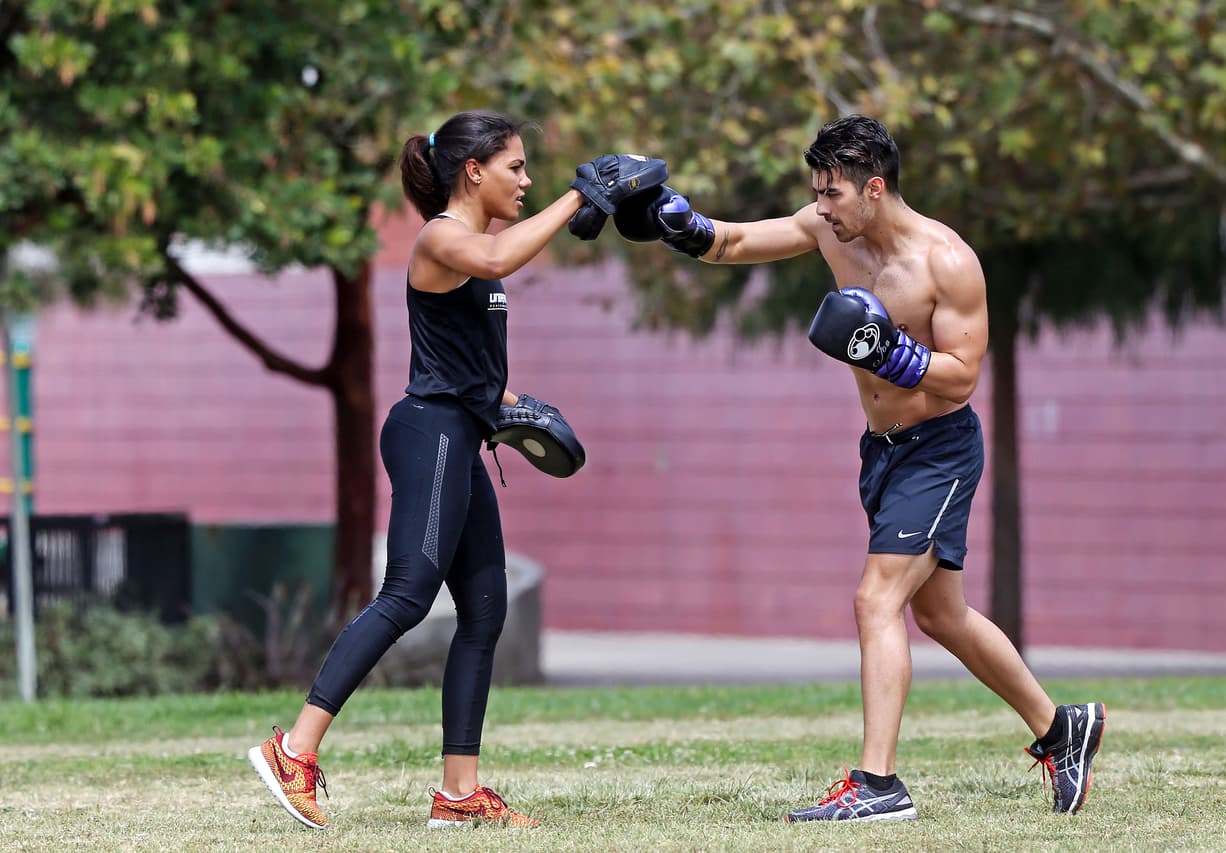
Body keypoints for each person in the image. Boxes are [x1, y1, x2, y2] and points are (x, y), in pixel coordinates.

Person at [612, 114, 1105, 821]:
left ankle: (878, 784)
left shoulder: (947, 262)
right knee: (942, 613)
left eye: (832, 194)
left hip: (940, 451)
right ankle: (1062, 729)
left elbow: (963, 377)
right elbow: (738, 241)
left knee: (877, 600)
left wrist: (890, 354)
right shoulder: (827, 229)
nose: (820, 207)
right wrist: (676, 219)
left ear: (874, 189)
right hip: (883, 450)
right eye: (815, 193)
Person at [247, 110, 657, 830]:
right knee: (407, 595)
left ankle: (459, 793)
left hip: (459, 433)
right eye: (516, 167)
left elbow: (465, 358)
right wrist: (581, 196)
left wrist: (513, 401)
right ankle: (294, 749)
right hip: (428, 432)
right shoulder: (443, 238)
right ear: (474, 170)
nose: (526, 181)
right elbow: (496, 264)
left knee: (486, 610)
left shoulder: (480, 246)